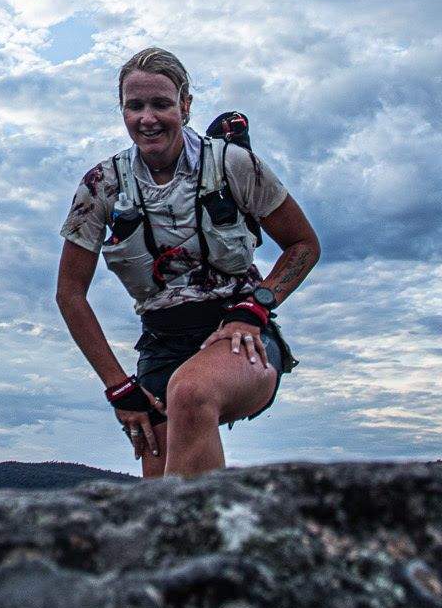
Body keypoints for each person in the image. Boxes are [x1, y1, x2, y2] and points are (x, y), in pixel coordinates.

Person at [56, 47, 321, 479]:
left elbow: (303, 245)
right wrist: (119, 387)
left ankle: (201, 537)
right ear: (121, 109)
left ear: (185, 105)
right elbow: (70, 294)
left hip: (241, 335)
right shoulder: (102, 184)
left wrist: (255, 307)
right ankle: (194, 540)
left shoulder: (234, 165)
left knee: (192, 392)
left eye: (161, 104)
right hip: (161, 343)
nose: (148, 118)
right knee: (161, 482)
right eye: (134, 106)